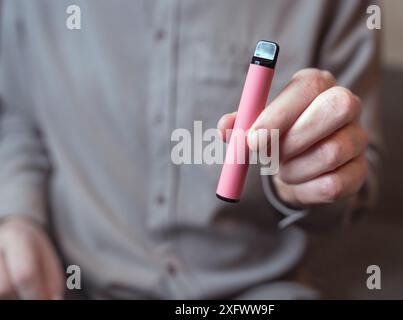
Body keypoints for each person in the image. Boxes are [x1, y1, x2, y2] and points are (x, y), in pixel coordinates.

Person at [0, 0, 381, 299]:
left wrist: (314, 176)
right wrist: (18, 215)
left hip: (256, 292)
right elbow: (16, 114)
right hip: (72, 281)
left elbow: (361, 170)